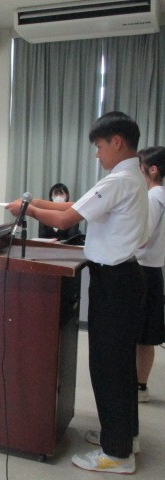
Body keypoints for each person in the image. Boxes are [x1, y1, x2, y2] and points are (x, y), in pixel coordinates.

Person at [6, 112, 147, 474]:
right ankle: (124, 436)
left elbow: (64, 220)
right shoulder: (132, 176)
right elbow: (74, 207)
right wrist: (37, 202)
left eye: (99, 146)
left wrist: (27, 209)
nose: (97, 154)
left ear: (117, 141)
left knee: (109, 366)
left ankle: (117, 454)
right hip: (122, 279)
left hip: (115, 283)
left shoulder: (119, 180)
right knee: (119, 365)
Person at [135, 146, 165, 403]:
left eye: (140, 166)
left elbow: (142, 239)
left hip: (143, 271)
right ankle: (140, 386)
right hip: (153, 271)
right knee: (145, 335)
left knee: (142, 336)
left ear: (152, 169)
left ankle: (138, 386)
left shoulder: (154, 198)